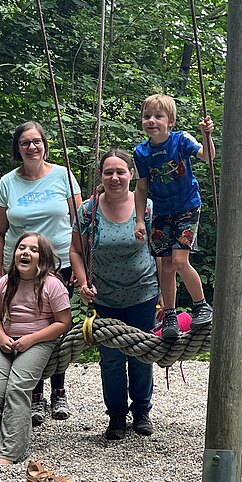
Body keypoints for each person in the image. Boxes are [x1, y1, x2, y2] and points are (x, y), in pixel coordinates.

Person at [0, 121, 82, 427]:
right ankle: (35, 396)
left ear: (45, 144)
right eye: (25, 143)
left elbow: (80, 223)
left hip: (60, 264)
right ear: (18, 148)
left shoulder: (63, 176)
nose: (32, 147)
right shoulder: (8, 183)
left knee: (56, 325)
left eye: (37, 141)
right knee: (25, 324)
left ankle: (59, 389)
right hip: (21, 267)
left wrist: (80, 267)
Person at [72, 149, 160, 440]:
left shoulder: (146, 207)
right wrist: (83, 282)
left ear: (131, 174)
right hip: (105, 296)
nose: (115, 177)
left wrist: (164, 296)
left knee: (141, 356)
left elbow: (160, 251)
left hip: (143, 292)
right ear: (101, 176)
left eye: (120, 171)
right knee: (110, 359)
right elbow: (76, 250)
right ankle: (116, 416)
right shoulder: (88, 209)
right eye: (108, 172)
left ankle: (142, 411)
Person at [0, 233, 72, 465]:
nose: (25, 252)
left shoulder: (52, 285)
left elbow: (63, 323)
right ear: (14, 253)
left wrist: (32, 339)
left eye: (33, 250)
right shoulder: (6, 283)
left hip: (39, 340)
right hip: (8, 338)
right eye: (21, 248)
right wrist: (1, 336)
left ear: (43, 260)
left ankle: (10, 452)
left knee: (17, 388)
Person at [132, 94, 216, 339]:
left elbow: (207, 156)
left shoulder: (180, 140)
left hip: (187, 207)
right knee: (166, 266)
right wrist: (139, 220)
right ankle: (170, 315)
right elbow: (141, 187)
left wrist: (206, 135)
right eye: (147, 116)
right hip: (161, 211)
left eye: (158, 116)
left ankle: (201, 305)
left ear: (170, 121)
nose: (152, 121)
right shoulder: (142, 152)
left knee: (179, 261)